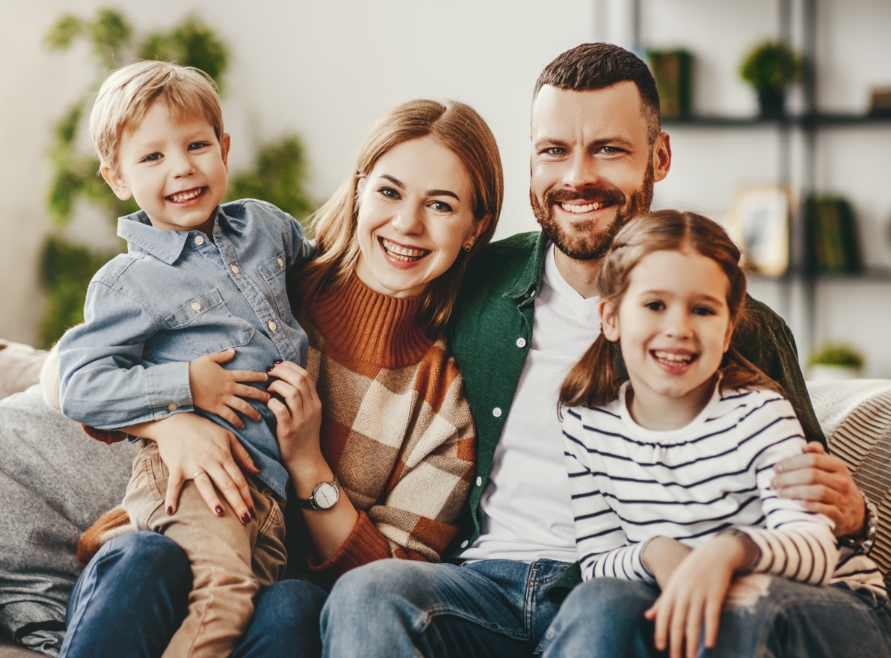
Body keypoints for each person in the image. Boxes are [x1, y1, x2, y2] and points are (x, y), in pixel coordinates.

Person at [319, 43, 879, 657]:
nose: (577, 176)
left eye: (608, 149)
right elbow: (350, 278)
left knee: (602, 606)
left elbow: (811, 503)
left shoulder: (733, 325)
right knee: (371, 594)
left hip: (619, 587)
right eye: (553, 151)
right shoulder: (472, 278)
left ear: (658, 157)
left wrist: (854, 515)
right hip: (479, 583)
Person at [54, 95, 503, 658]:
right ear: (359, 189)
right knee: (147, 558)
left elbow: (391, 589)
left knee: (296, 607)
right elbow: (72, 378)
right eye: (389, 191)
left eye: (440, 205)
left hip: (273, 591)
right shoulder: (267, 283)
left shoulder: (442, 404)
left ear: (474, 229)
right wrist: (174, 426)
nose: (407, 223)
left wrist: (308, 464)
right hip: (162, 554)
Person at [57, 59, 314, 658]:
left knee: (254, 607)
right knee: (221, 598)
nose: (182, 168)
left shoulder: (268, 227)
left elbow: (334, 277)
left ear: (224, 148)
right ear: (116, 177)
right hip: (194, 480)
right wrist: (184, 387)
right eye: (152, 158)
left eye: (197, 145)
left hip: (268, 495)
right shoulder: (129, 281)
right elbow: (76, 381)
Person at [556, 210, 887, 658]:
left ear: (729, 328)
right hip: (694, 599)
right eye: (655, 305)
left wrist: (728, 552)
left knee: (750, 606)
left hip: (831, 602)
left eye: (703, 309)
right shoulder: (585, 421)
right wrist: (655, 552)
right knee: (600, 604)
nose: (679, 328)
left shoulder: (759, 413)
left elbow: (816, 551)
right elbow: (597, 564)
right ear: (610, 317)